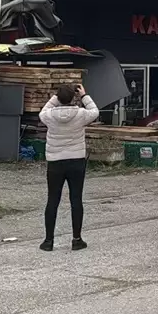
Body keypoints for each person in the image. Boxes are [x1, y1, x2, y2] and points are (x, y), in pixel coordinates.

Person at [38, 83, 100, 251]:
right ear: (74, 98)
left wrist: (55, 98)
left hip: (55, 162)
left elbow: (42, 112)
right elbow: (95, 111)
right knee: (76, 199)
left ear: (57, 98)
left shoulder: (49, 115)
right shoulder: (81, 114)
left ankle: (48, 241)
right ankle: (76, 239)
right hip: (76, 161)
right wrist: (84, 96)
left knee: (52, 200)